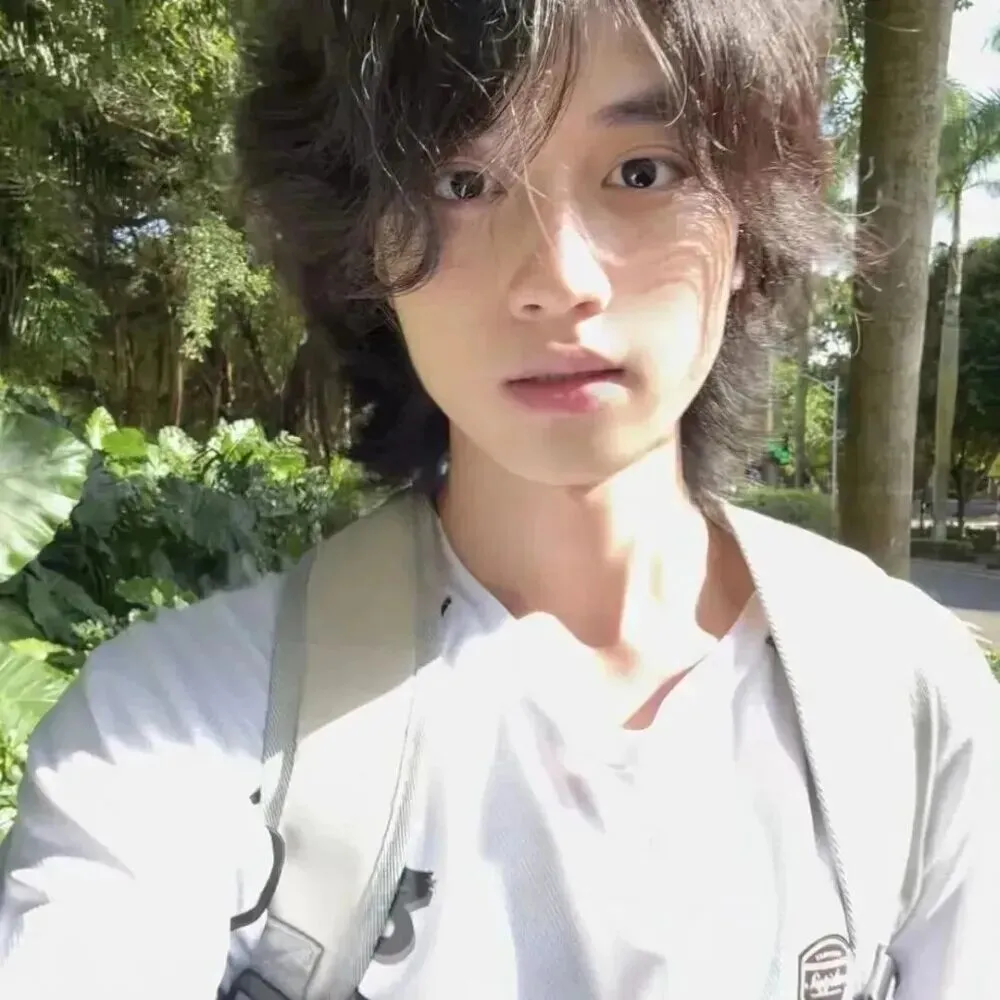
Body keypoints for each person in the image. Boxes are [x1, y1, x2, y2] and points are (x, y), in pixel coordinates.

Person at [1, 1, 998, 998]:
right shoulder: (183, 724)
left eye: (642, 171)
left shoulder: (904, 698)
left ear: (748, 224)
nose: (558, 279)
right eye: (461, 182)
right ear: (367, 245)